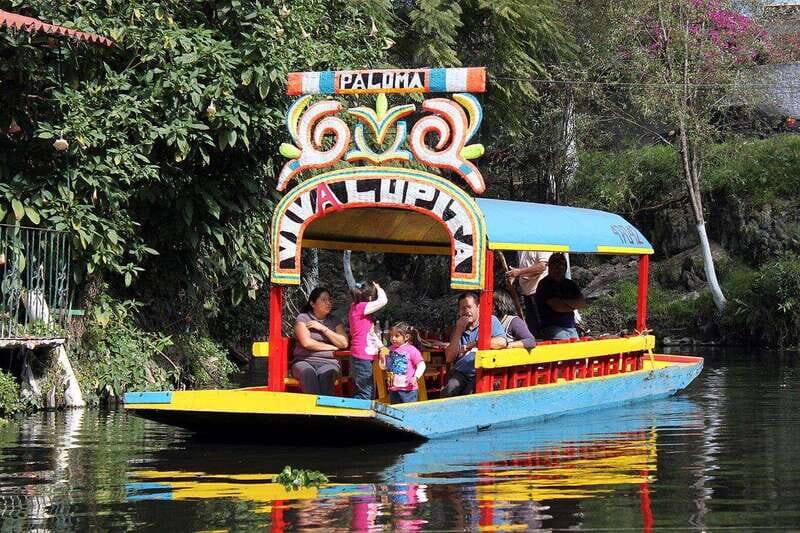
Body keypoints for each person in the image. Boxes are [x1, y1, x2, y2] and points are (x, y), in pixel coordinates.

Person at [442, 292, 507, 397]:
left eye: (469, 307)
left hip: (483, 371)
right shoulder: (457, 328)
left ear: (478, 307)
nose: (466, 311)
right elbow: (449, 357)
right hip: (461, 372)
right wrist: (459, 330)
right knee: (449, 390)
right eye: (462, 308)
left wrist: (474, 344)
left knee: (470, 393)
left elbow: (502, 342)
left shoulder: (490, 320)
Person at [292, 287, 349, 395]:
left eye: (329, 300)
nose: (328, 303)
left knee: (327, 374)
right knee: (308, 373)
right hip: (304, 361)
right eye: (323, 300)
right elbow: (307, 343)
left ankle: (324, 410)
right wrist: (331, 347)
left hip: (329, 362)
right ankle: (313, 410)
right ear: (313, 304)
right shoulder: (303, 318)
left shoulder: (335, 320)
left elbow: (344, 343)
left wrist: (323, 328)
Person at [349, 280, 388, 400]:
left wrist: (381, 347)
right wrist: (379, 288)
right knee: (365, 393)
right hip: (362, 356)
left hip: (361, 356)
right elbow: (383, 301)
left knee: (364, 391)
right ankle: (357, 415)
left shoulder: (356, 308)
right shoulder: (360, 307)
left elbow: (370, 333)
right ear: (370, 297)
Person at [534, 252, 586, 340]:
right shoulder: (544, 284)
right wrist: (572, 305)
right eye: (555, 264)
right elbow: (557, 306)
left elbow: (582, 304)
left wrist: (563, 301)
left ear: (565, 267)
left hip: (571, 327)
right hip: (552, 328)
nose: (558, 267)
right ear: (549, 266)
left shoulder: (570, 284)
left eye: (561, 264)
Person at [379, 322, 426, 404]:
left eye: (397, 336)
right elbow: (384, 367)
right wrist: (382, 358)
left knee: (409, 411)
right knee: (396, 412)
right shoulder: (389, 350)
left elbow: (421, 365)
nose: (393, 338)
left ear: (406, 337)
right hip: (393, 389)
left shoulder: (411, 350)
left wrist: (416, 377)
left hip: (408, 390)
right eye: (391, 336)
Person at [505, 251, 550, 334]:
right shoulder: (522, 249)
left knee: (544, 329)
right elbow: (527, 268)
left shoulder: (540, 243)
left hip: (539, 292)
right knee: (533, 328)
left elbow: (542, 266)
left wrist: (519, 272)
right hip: (528, 293)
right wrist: (515, 276)